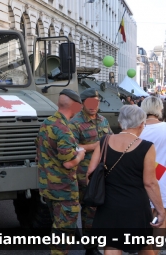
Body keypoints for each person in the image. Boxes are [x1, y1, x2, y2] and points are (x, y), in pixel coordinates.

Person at [87, 105, 164, 254]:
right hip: (136, 206)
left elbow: (90, 173)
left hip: (108, 205)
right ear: (142, 124)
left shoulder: (104, 141)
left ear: (120, 123)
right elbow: (150, 183)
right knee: (144, 244)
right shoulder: (147, 147)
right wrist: (160, 210)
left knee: (111, 244)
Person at [35, 89, 86, 255]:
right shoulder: (63, 130)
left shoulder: (46, 124)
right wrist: (80, 155)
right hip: (64, 190)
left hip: (48, 188)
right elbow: (68, 163)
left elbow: (40, 154)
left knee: (57, 227)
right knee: (63, 234)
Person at [69, 88, 113, 255]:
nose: (93, 106)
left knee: (94, 211)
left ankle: (91, 247)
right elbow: (71, 148)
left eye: (96, 102)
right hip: (81, 174)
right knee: (83, 211)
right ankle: (88, 247)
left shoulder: (103, 121)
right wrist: (94, 146)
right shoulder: (75, 123)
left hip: (99, 174)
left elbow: (110, 139)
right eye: (89, 103)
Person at [139, 96, 166, 254]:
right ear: (159, 109)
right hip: (162, 182)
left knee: (144, 222)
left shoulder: (136, 130)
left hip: (140, 183)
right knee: (160, 221)